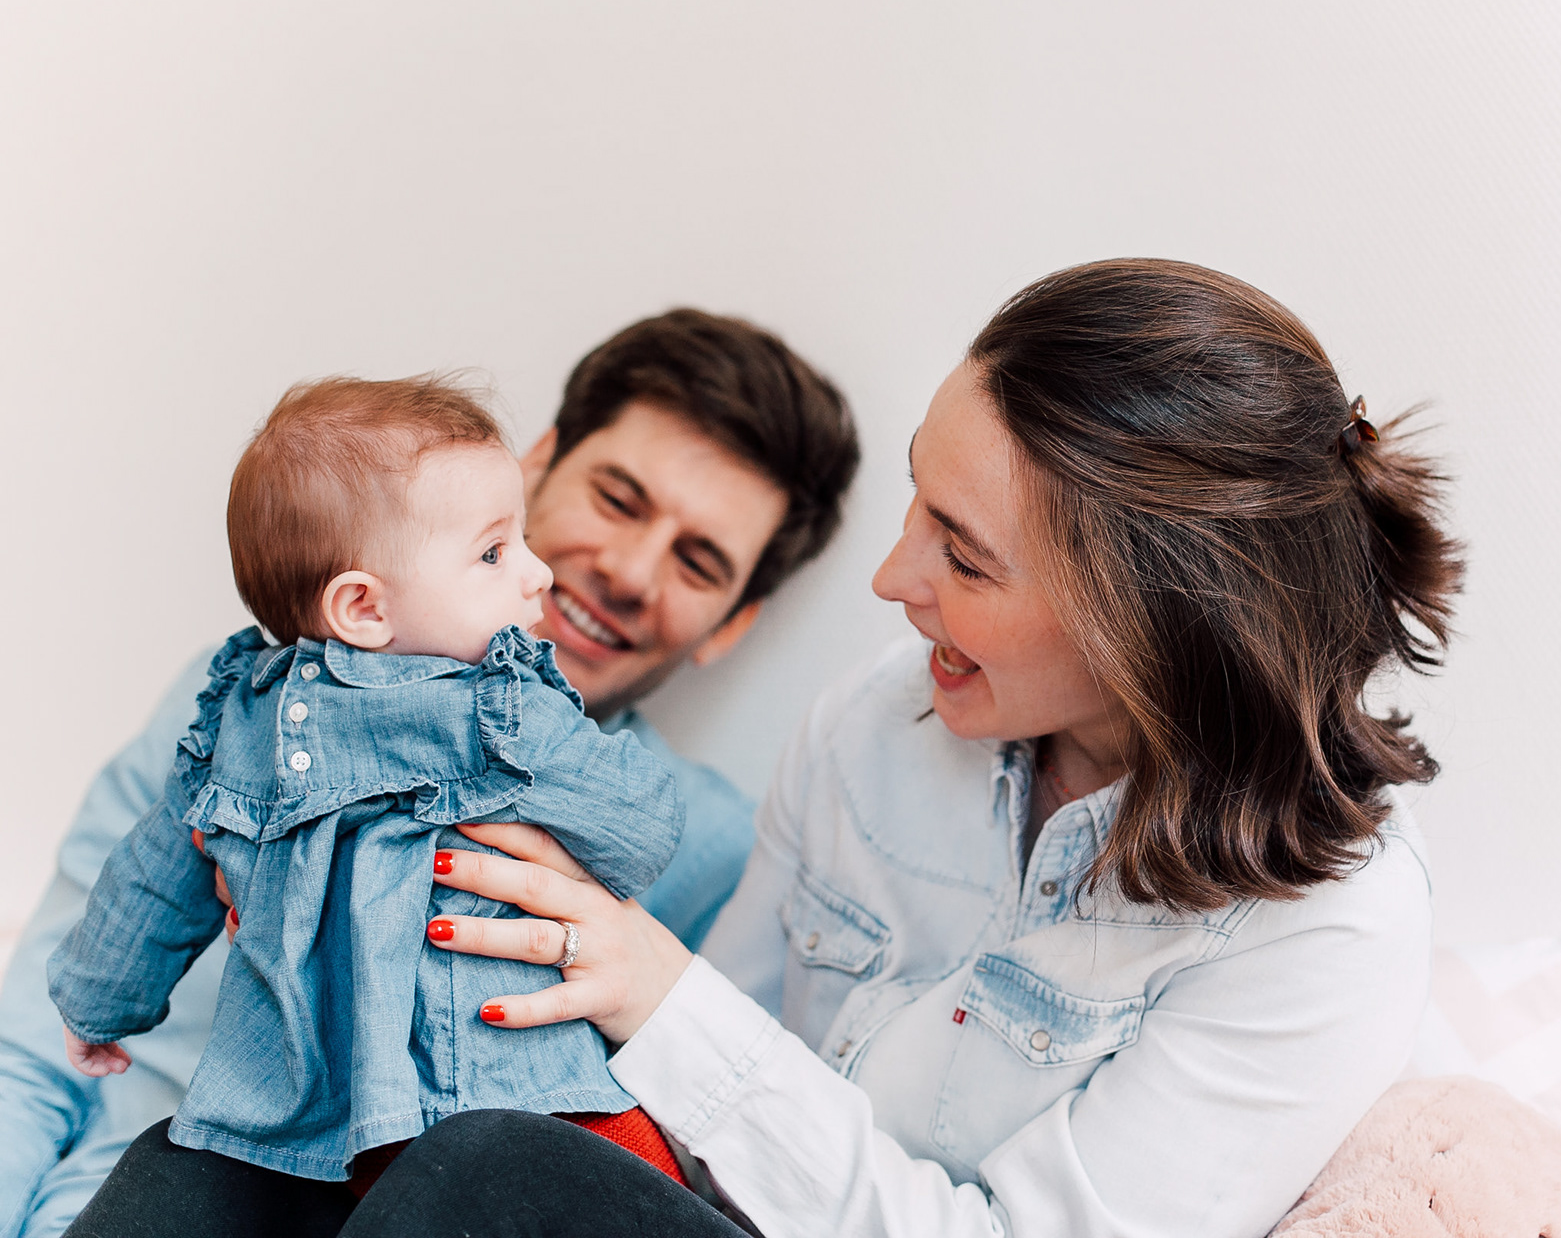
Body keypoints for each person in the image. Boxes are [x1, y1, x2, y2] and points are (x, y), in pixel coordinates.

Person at [73, 257, 1464, 1238]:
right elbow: (678, 1128)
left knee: (489, 1177)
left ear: (1149, 628)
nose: (892, 581)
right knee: (203, 1167)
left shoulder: (1319, 939)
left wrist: (654, 995)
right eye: (918, 508)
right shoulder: (877, 723)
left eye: (961, 557)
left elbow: (695, 1038)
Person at [0, 310, 861, 1237]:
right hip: (197, 1161)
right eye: (618, 498)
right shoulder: (240, 706)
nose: (626, 571)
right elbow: (49, 1022)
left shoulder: (721, 848)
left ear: (730, 622)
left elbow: (691, 1139)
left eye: (698, 562)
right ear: (537, 464)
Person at [52, 377, 685, 1181]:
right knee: (647, 1174)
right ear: (363, 606)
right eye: (493, 553)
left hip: (300, 1104)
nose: (538, 575)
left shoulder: (235, 720)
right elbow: (641, 830)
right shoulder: (496, 711)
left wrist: (97, 1003)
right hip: (497, 1083)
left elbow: (152, 880)